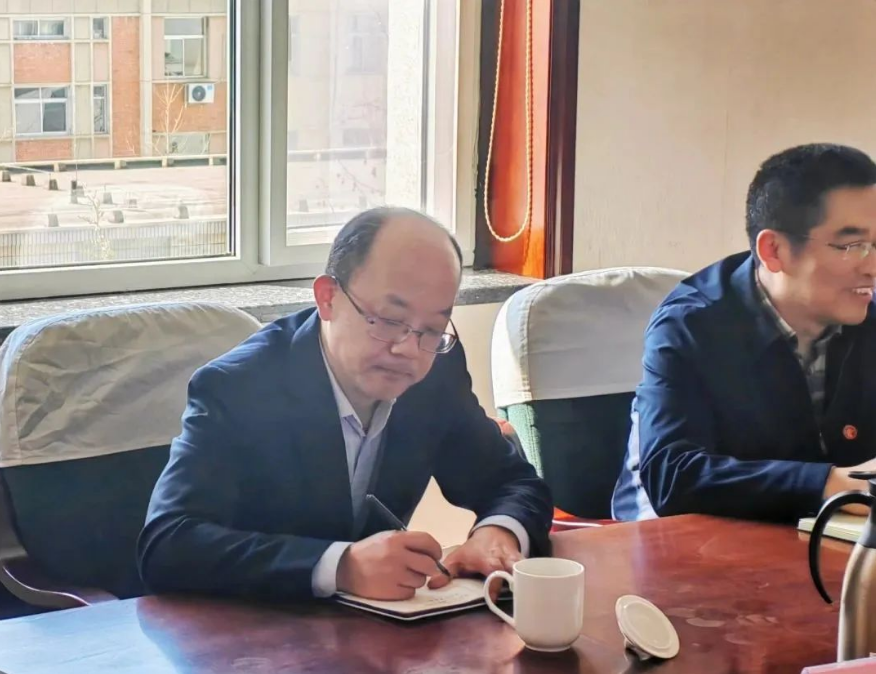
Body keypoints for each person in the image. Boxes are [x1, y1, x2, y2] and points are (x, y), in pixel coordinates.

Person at [138, 206, 552, 601]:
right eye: (389, 320)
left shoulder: (435, 372)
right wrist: (341, 566)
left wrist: (497, 534)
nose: (409, 349)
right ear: (327, 298)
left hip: (377, 630)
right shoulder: (239, 387)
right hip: (250, 629)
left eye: (432, 329)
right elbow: (169, 544)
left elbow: (513, 482)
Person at [612, 143, 876, 522]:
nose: (871, 266)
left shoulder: (866, 313)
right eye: (852, 246)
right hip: (677, 538)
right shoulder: (693, 324)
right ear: (774, 250)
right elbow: (673, 475)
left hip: (816, 529)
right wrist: (830, 484)